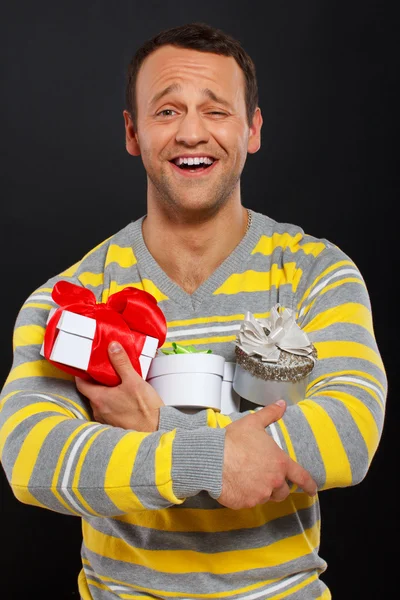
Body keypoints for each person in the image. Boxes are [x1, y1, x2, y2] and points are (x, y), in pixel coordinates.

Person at [0, 21, 386, 600]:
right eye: (165, 111)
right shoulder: (69, 299)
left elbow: (348, 434)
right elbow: (33, 456)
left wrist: (156, 426)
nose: (191, 133)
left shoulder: (315, 273)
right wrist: (210, 461)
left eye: (216, 111)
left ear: (252, 128)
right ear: (132, 133)